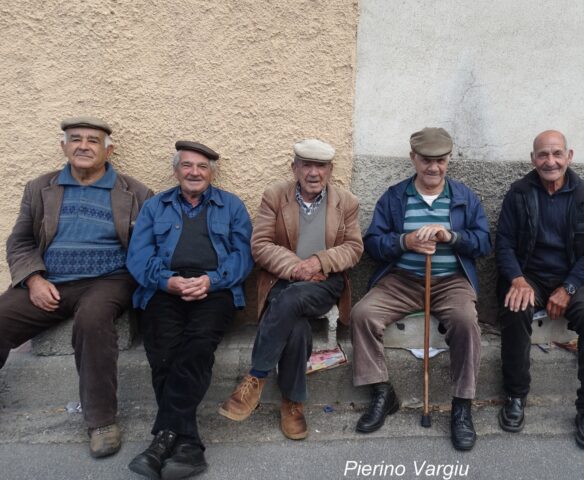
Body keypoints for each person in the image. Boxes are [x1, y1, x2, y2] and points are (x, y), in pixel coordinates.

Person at [0, 116, 152, 458]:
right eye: (76, 139)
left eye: (93, 140)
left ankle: (101, 422)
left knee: (93, 322)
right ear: (64, 146)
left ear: (108, 150)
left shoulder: (135, 192)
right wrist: (34, 279)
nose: (83, 146)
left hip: (109, 279)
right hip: (49, 279)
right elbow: (20, 241)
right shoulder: (40, 188)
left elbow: (145, 247)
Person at [350, 127, 491, 451]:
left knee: (466, 321)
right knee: (363, 314)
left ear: (448, 160)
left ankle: (461, 406)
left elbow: (483, 242)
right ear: (413, 158)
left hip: (450, 281)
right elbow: (372, 243)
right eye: (426, 160)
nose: (433, 168)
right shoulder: (396, 196)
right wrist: (405, 242)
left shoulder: (463, 197)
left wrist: (451, 237)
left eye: (440, 161)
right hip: (403, 280)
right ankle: (382, 392)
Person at [218, 139, 362, 441]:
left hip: (325, 281)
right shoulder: (274, 196)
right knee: (294, 322)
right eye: (306, 165)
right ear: (293, 167)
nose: (313, 172)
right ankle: (292, 402)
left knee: (291, 301)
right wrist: (296, 267)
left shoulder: (346, 202)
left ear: (330, 170)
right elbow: (260, 245)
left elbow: (353, 248)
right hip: (283, 278)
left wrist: (318, 262)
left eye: (320, 166)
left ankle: (255, 377)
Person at [126, 141, 253, 479]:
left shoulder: (232, 206)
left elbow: (244, 258)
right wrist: (167, 281)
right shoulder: (154, 207)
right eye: (187, 165)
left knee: (197, 345)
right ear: (176, 170)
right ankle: (188, 444)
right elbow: (138, 257)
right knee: (164, 349)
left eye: (202, 166)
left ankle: (163, 438)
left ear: (212, 172)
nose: (194, 172)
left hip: (216, 290)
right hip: (163, 289)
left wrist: (211, 281)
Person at [496, 130, 584, 450]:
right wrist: (517, 280)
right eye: (543, 155)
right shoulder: (518, 193)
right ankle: (516, 396)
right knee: (516, 308)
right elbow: (503, 243)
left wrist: (569, 287)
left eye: (557, 154)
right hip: (529, 275)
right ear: (533, 159)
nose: (550, 161)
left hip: (574, 278)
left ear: (569, 156)